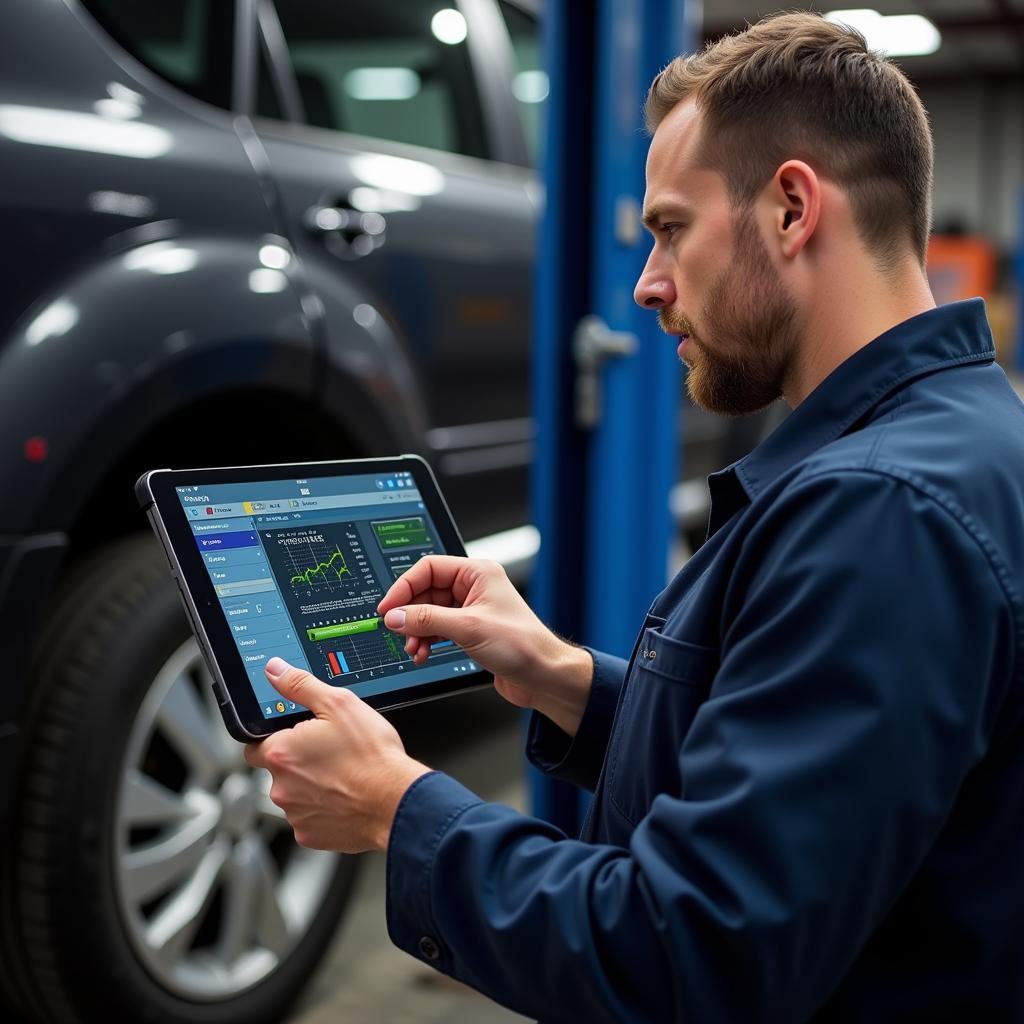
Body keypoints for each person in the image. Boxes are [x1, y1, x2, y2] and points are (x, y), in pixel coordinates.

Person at [245, 12, 1024, 1021]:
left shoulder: (881, 512)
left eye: (668, 228)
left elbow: (691, 955)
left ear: (791, 208)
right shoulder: (963, 433)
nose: (648, 286)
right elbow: (815, 778)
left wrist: (401, 812)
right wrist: (567, 681)